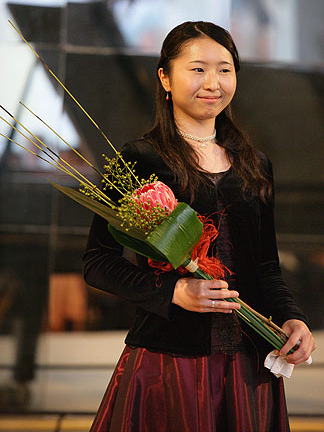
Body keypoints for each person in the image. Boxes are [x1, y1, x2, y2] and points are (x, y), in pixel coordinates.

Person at [83, 21, 315, 432]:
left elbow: (266, 266)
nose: (213, 82)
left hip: (248, 368)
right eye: (197, 69)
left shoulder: (255, 164)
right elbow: (98, 262)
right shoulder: (138, 160)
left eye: (225, 69)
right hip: (168, 366)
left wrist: (291, 317)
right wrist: (175, 291)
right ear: (165, 78)